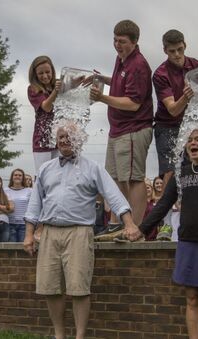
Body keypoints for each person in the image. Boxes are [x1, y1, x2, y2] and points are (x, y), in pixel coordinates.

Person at [23, 122, 139, 339]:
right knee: (49, 287)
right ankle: (59, 334)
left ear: (79, 139)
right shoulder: (45, 169)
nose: (64, 140)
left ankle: (80, 336)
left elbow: (113, 195)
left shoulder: (92, 167)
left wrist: (129, 223)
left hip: (79, 232)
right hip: (49, 233)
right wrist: (29, 234)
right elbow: (34, 203)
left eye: (69, 136)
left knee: (79, 288)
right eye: (60, 136)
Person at [137, 128, 198, 339]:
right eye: (190, 140)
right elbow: (163, 204)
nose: (193, 143)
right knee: (192, 298)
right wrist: (141, 230)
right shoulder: (181, 173)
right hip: (187, 243)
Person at [90, 19, 153, 229]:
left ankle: (136, 227)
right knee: (116, 178)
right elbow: (120, 82)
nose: (117, 45)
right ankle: (120, 223)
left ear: (135, 42)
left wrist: (102, 98)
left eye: (123, 41)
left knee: (134, 179)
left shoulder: (139, 65)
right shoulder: (122, 59)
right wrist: (99, 78)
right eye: (115, 40)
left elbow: (134, 103)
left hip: (134, 129)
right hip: (117, 130)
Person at [152, 29, 198, 187]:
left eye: (180, 49)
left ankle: (191, 207)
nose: (177, 54)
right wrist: (186, 96)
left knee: (196, 168)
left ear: (185, 46)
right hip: (167, 126)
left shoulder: (197, 66)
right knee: (171, 171)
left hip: (190, 124)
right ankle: (168, 209)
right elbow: (173, 109)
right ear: (165, 50)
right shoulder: (160, 74)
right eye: (172, 51)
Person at [28, 56, 61, 176]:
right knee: (45, 176)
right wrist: (56, 92)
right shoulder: (33, 89)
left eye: (48, 72)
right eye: (40, 73)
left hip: (59, 139)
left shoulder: (58, 85)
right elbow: (47, 107)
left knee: (60, 175)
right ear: (35, 75)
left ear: (52, 70)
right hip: (42, 141)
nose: (45, 76)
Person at [5, 169, 32, 243]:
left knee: (23, 249)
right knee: (10, 249)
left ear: (23, 178)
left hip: (24, 224)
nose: (17, 177)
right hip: (9, 224)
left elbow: (32, 207)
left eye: (20, 175)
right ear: (12, 177)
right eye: (15, 175)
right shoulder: (5, 190)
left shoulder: (30, 191)